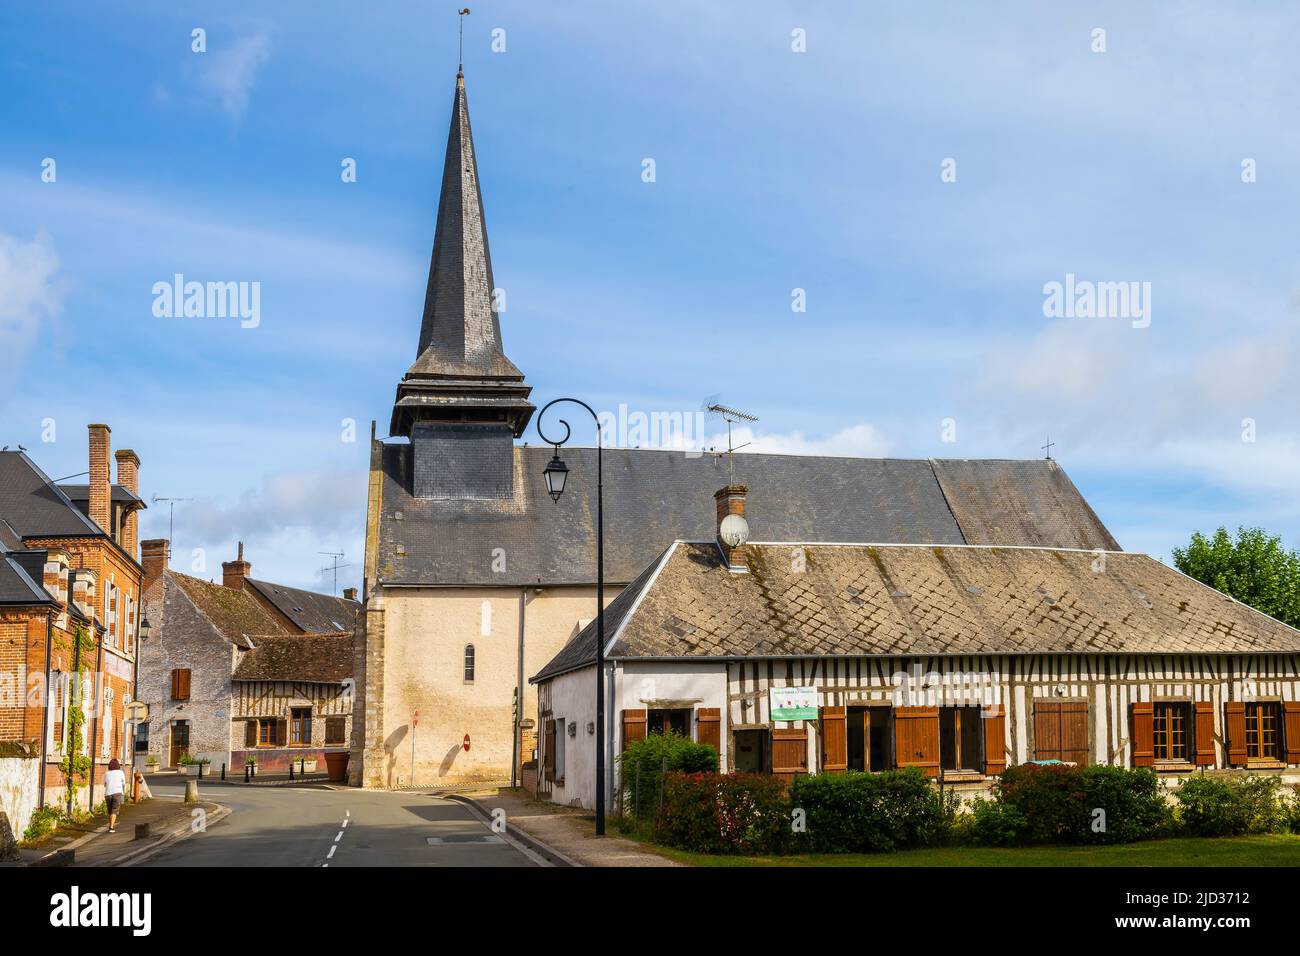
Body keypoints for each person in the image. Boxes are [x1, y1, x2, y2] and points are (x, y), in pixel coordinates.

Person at [104, 758, 126, 833]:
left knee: (110, 811)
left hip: (108, 793)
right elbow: (123, 783)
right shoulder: (121, 772)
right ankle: (111, 827)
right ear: (118, 765)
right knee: (114, 810)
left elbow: (105, 784)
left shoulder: (107, 773)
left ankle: (110, 825)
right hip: (117, 792)